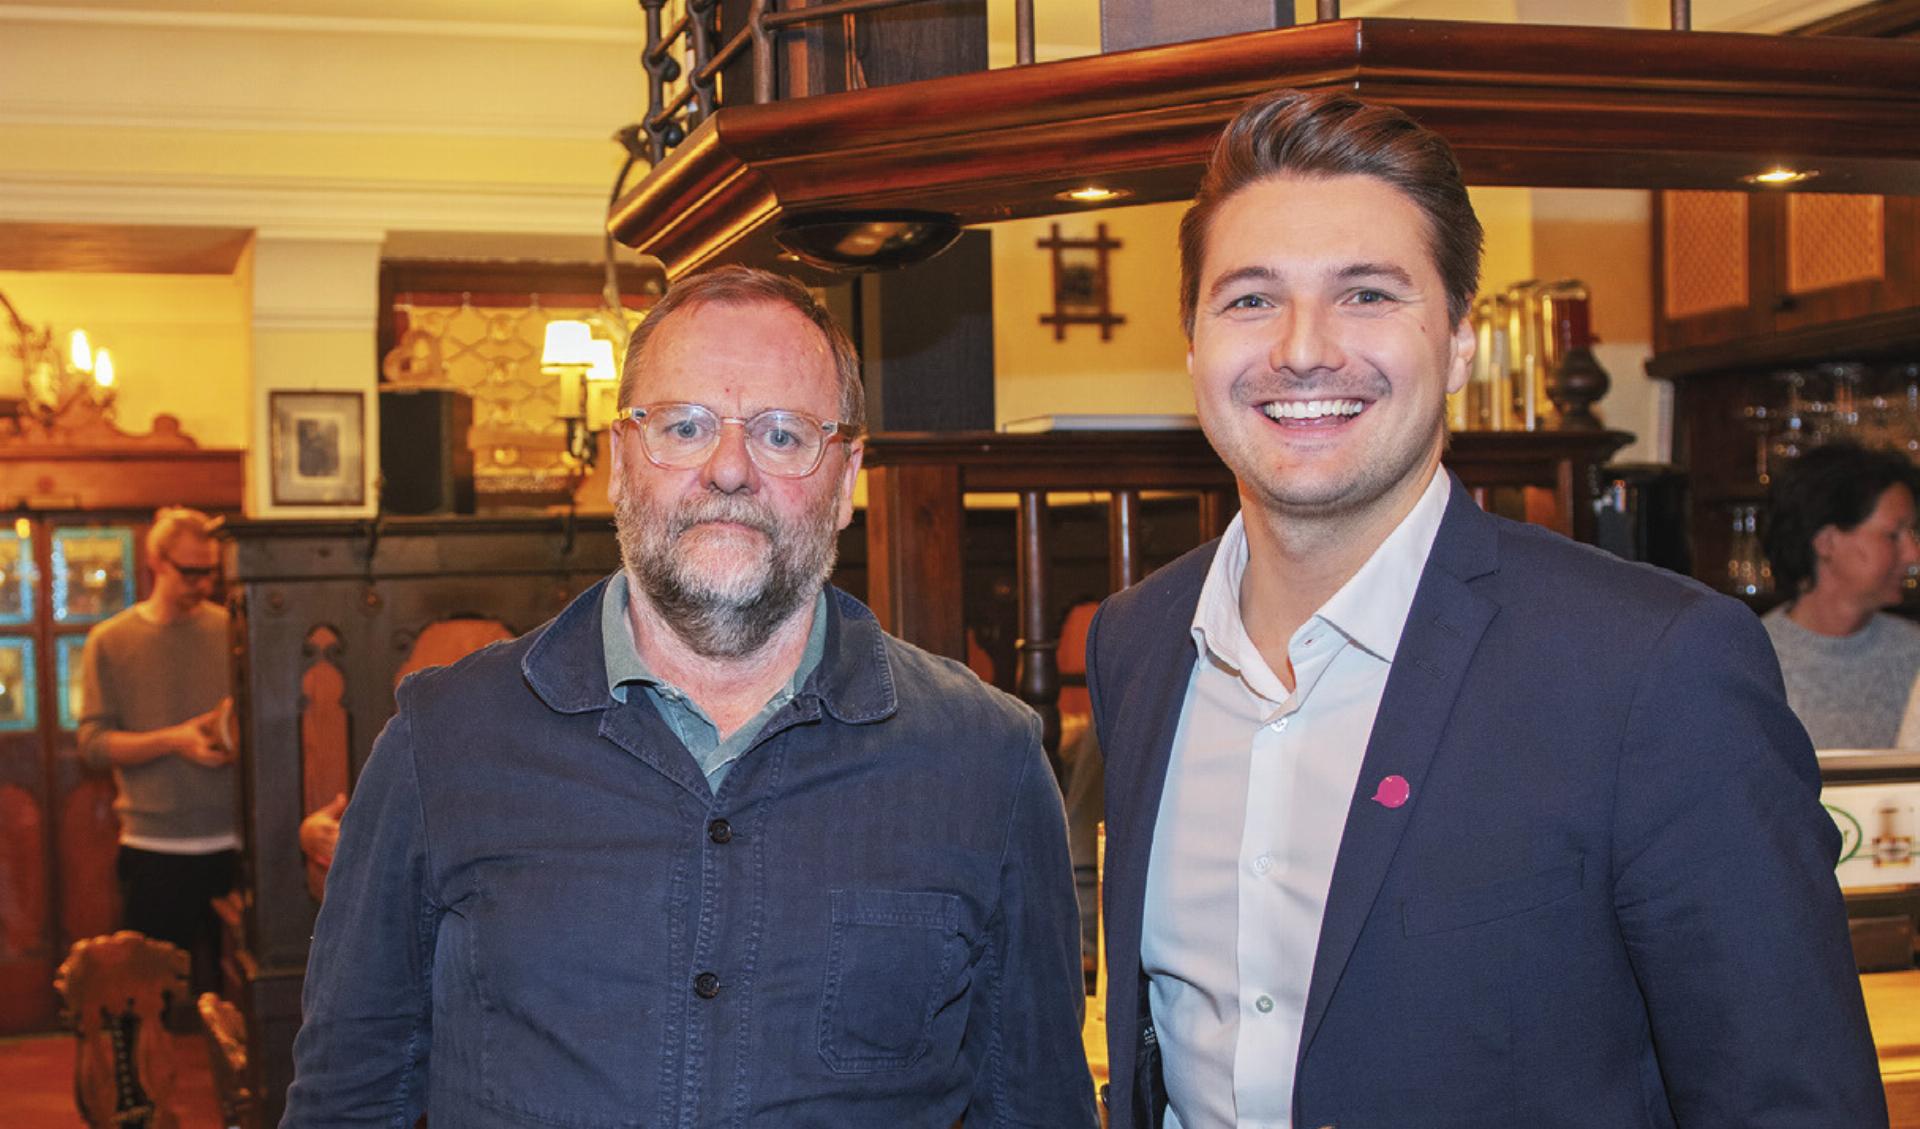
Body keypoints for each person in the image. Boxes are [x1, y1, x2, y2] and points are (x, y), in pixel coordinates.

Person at [1086, 89, 1884, 1129]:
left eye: (1369, 293)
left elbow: (1792, 1104)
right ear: (1191, 344)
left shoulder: (1654, 668)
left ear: (1460, 338)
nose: (1303, 347)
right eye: (1249, 299)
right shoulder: (1137, 644)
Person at [282, 266, 1095, 1128]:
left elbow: (1036, 1104)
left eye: (784, 434)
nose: (731, 468)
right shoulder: (443, 741)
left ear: (848, 475)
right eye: (683, 425)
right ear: (617, 459)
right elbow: (347, 1100)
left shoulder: (987, 761)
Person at [78, 506, 235, 1001]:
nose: (204, 583)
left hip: (234, 845)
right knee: (147, 1006)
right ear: (156, 563)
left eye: (211, 570)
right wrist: (176, 739)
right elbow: (93, 746)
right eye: (191, 571)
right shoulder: (110, 641)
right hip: (154, 849)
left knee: (239, 1007)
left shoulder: (233, 630)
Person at [1762, 440, 1920, 748]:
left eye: (1912, 534)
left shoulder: (1914, 655)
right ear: (1827, 542)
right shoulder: (1756, 659)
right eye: (1893, 535)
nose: (1913, 554)